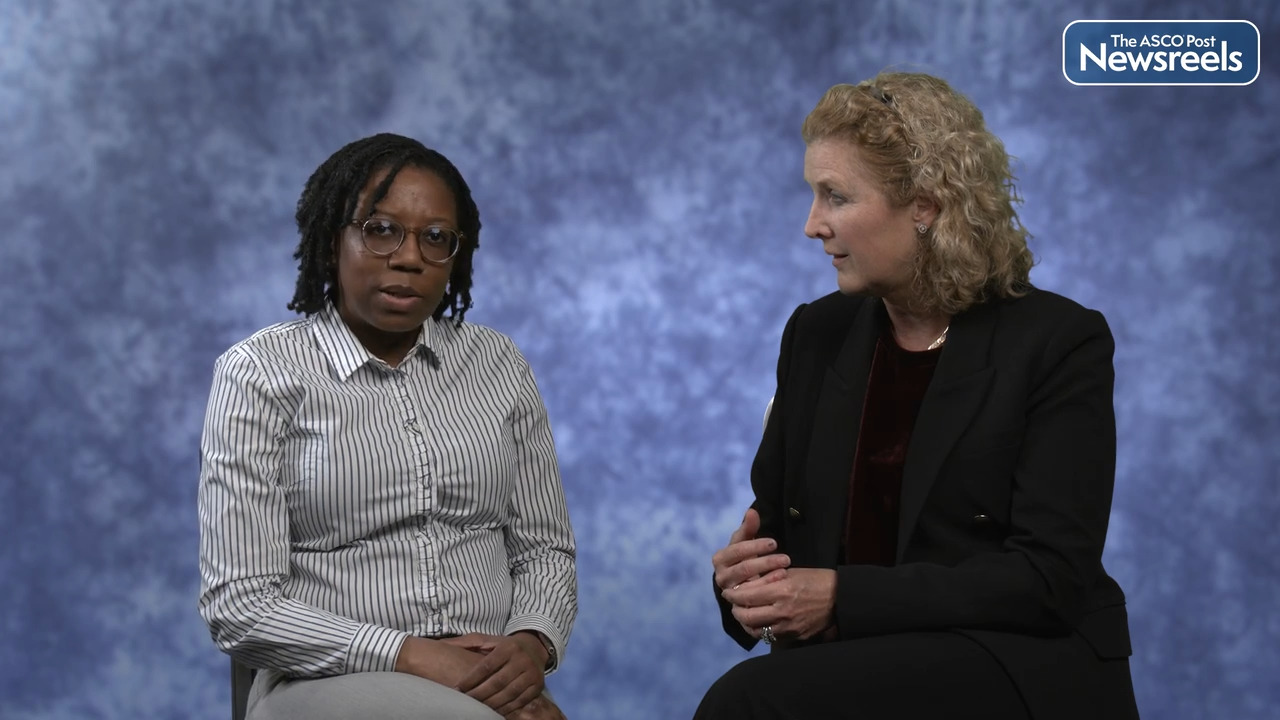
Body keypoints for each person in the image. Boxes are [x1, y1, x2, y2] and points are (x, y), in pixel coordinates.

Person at [696, 73, 1139, 719]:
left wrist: (842, 598)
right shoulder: (816, 333)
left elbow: (1050, 578)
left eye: (835, 196)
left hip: (1012, 657)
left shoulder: (1058, 341)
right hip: (857, 661)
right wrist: (745, 582)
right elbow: (780, 526)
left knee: (748, 702)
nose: (812, 225)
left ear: (925, 207)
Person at [198, 133, 575, 720]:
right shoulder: (260, 374)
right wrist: (417, 656)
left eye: (436, 238)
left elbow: (544, 548)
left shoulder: (498, 364)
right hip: (327, 681)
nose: (409, 257)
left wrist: (529, 647)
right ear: (332, 243)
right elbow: (240, 605)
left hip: (489, 684)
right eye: (380, 230)